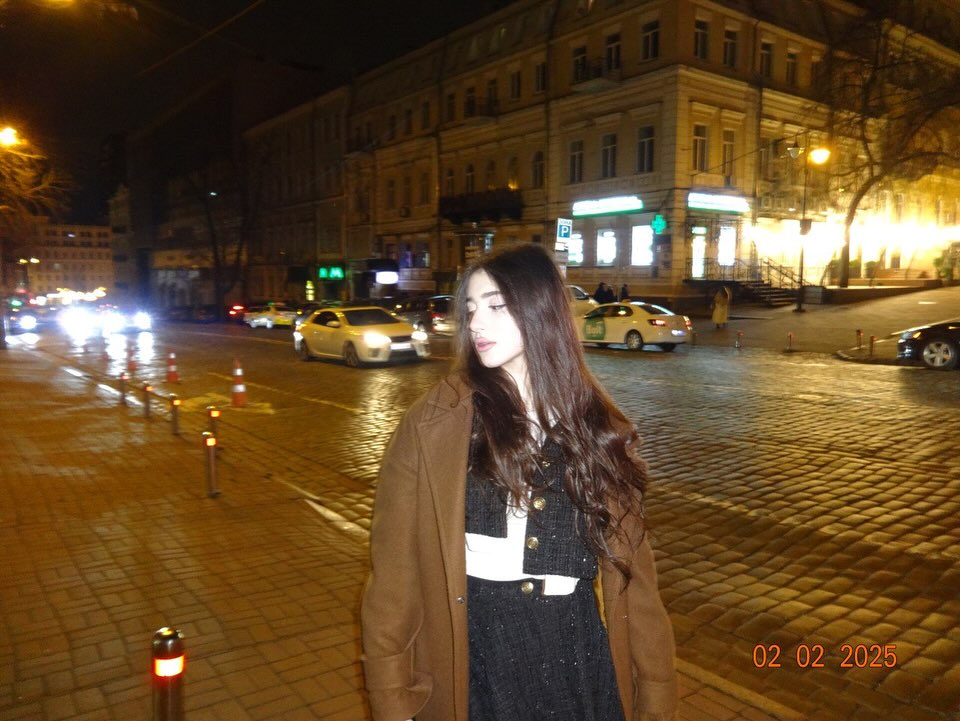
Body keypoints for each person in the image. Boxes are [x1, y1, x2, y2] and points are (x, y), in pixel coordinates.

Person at [361, 243, 677, 721]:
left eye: (496, 306)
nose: (476, 324)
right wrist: (392, 699)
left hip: (576, 656)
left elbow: (638, 586)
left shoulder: (597, 429)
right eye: (471, 309)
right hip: (474, 654)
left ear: (540, 310)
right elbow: (393, 579)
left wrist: (655, 697)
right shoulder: (434, 423)